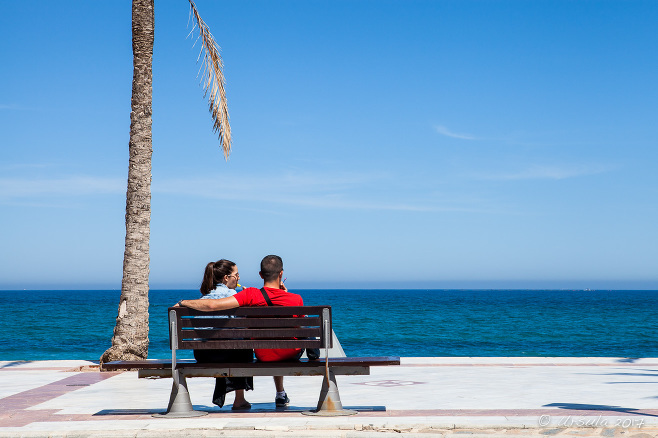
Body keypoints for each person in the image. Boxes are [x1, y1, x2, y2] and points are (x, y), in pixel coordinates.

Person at [176, 255, 302, 407]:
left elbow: (212, 306)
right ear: (281, 274)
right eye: (237, 275)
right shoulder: (295, 299)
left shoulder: (238, 296)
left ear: (261, 275)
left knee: (253, 344)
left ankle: (266, 395)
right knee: (260, 343)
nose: (238, 278)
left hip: (207, 354)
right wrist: (284, 295)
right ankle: (261, 396)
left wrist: (182, 303)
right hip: (278, 354)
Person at [192, 259, 253, 410]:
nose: (238, 278)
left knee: (224, 344)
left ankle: (228, 395)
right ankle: (239, 399)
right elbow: (246, 327)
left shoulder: (202, 299)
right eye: (236, 275)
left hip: (203, 355)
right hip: (231, 355)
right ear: (226, 278)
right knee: (241, 346)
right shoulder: (236, 298)